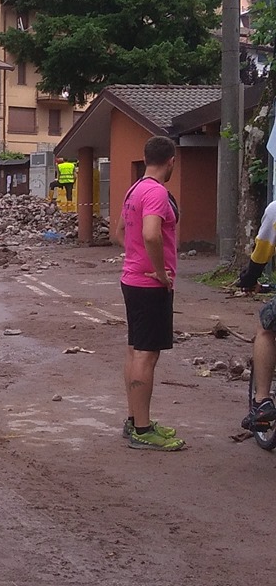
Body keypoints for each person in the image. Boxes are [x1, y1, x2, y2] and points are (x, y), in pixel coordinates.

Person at [112, 135, 185, 450]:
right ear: (171, 161)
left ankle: (134, 420)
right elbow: (151, 234)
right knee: (146, 354)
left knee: (135, 350)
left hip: (131, 279)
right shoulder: (156, 192)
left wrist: (136, 257)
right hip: (149, 284)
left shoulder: (134, 189)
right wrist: (158, 270)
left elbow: (119, 232)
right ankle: (142, 430)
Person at [236, 200, 276, 428]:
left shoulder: (274, 210)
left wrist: (248, 280)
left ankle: (261, 401)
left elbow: (261, 255)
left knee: (265, 327)